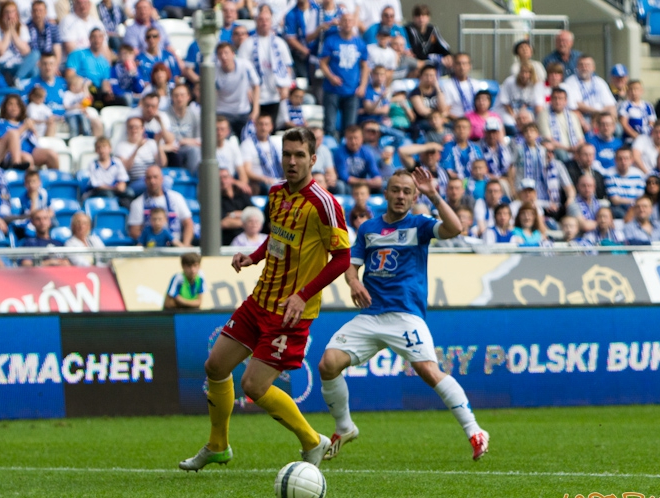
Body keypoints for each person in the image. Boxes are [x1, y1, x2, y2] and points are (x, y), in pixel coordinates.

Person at [178, 127, 351, 472]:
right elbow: (276, 239)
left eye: (299, 155)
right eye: (287, 154)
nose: (291, 161)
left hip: (290, 312)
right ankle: (218, 445)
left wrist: (302, 296)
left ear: (313, 159)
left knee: (254, 386)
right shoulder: (275, 194)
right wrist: (252, 257)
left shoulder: (325, 204)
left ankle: (312, 440)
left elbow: (343, 259)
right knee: (215, 366)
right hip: (259, 300)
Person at [317, 166, 488, 459]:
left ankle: (475, 430)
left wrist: (434, 193)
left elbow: (454, 228)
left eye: (407, 192)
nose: (400, 196)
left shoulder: (420, 225)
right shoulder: (369, 228)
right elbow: (351, 262)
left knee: (428, 370)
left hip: (405, 314)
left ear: (414, 196)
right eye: (395, 190)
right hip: (370, 314)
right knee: (328, 364)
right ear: (385, 193)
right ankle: (344, 427)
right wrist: (354, 282)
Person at [238, 6, 294, 125]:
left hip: (274, 93)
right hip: (255, 95)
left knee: (271, 126)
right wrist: (247, 89)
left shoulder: (280, 43)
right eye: (261, 19)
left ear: (271, 21)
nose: (264, 22)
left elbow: (287, 66)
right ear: (256, 21)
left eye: (267, 20)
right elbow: (242, 70)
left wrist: (286, 86)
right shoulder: (247, 44)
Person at [319, 12, 369, 138]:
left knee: (350, 127)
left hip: (352, 91)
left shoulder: (360, 43)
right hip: (332, 90)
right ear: (340, 23)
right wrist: (331, 77)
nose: (347, 23)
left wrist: (363, 85)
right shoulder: (331, 41)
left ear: (354, 23)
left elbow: (365, 66)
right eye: (344, 20)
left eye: (350, 20)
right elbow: (323, 63)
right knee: (330, 125)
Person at [127, 165, 193, 246]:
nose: (152, 181)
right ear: (145, 181)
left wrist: (184, 246)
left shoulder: (176, 198)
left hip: (175, 246)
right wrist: (153, 239)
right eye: (149, 178)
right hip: (150, 248)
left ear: (162, 179)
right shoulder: (137, 203)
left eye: (155, 177)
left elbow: (188, 224)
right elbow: (134, 231)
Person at [215, 42, 261, 138]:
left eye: (226, 53)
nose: (224, 57)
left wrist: (255, 109)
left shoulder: (245, 65)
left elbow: (256, 85)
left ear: (233, 54)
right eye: (220, 53)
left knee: (248, 139)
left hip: (243, 111)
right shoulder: (214, 71)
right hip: (223, 111)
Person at [0, 1, 39, 84]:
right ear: (2, 14)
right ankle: (17, 81)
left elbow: (25, 51)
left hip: (19, 63)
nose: (10, 15)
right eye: (7, 12)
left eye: (12, 12)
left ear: (17, 14)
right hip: (3, 64)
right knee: (34, 70)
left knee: (36, 56)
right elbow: (0, 51)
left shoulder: (22, 27)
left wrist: (13, 32)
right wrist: (8, 32)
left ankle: (17, 79)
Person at [563, 55, 616, 128]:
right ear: (577, 67)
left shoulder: (600, 81)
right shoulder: (570, 82)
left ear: (593, 68)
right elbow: (577, 105)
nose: (584, 68)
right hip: (583, 117)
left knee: (617, 128)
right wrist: (597, 111)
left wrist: (612, 121)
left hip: (601, 116)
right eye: (581, 65)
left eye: (587, 65)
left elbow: (611, 105)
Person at [493, 62, 544, 132]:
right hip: (508, 111)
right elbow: (505, 103)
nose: (524, 75)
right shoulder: (510, 81)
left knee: (532, 124)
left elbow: (536, 105)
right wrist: (514, 116)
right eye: (522, 72)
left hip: (525, 113)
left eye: (527, 72)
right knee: (511, 123)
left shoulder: (535, 84)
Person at [241, 114, 284, 194]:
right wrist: (264, 179)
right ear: (255, 125)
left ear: (271, 126)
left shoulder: (277, 143)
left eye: (266, 124)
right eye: (261, 124)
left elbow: (283, 164)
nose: (263, 128)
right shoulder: (247, 144)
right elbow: (247, 170)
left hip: (278, 178)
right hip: (260, 182)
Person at [537, 87, 583, 162]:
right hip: (558, 150)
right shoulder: (543, 115)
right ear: (551, 100)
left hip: (575, 149)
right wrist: (568, 149)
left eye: (560, 99)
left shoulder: (572, 115)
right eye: (555, 98)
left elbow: (581, 139)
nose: (558, 101)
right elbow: (548, 139)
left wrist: (576, 149)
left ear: (565, 101)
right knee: (561, 153)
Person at [334, 125, 382, 193]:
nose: (353, 142)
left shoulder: (367, 152)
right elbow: (344, 177)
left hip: (364, 184)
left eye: (356, 138)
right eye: (350, 138)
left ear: (362, 139)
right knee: (341, 186)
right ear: (345, 139)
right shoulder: (340, 152)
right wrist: (366, 182)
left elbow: (374, 172)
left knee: (382, 186)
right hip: (348, 185)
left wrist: (377, 179)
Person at [605, 147, 645, 219]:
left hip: (636, 207)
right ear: (615, 160)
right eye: (620, 159)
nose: (623, 162)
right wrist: (633, 202)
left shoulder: (639, 174)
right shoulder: (609, 174)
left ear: (631, 160)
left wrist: (633, 205)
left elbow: (640, 198)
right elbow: (614, 200)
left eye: (626, 158)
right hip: (618, 208)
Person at [442, 53, 482, 122]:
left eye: (465, 64)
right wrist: (463, 120)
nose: (462, 67)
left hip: (475, 121)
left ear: (470, 66)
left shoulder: (476, 84)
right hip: (456, 121)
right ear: (453, 66)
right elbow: (445, 111)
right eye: (458, 64)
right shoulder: (447, 85)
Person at [219, 168, 254, 245]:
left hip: (249, 242)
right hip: (227, 242)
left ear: (231, 179)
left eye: (225, 177)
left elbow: (255, 214)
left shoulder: (242, 195)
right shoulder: (216, 201)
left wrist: (233, 214)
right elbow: (224, 223)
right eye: (219, 178)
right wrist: (248, 220)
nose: (222, 181)